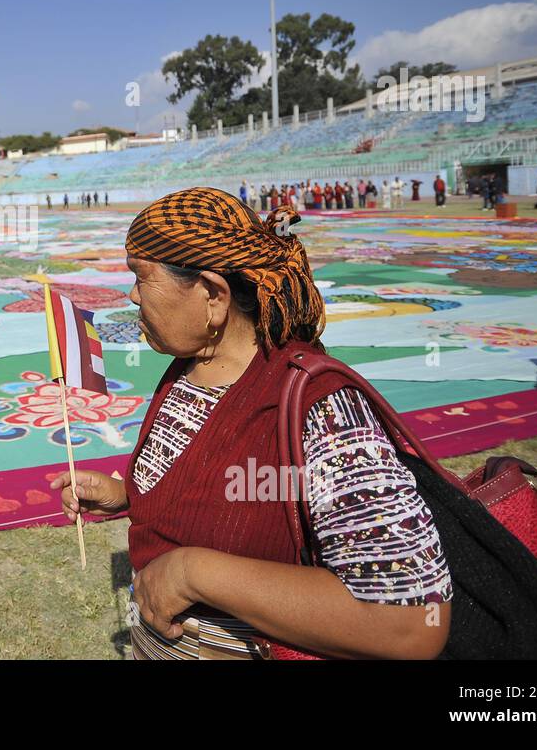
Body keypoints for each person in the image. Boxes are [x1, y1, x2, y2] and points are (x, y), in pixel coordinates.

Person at [52, 188, 452, 659]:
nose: (132, 295)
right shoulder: (189, 368)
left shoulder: (321, 411)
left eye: (142, 278)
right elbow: (214, 489)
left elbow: (410, 624)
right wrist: (126, 497)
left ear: (213, 296)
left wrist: (191, 573)